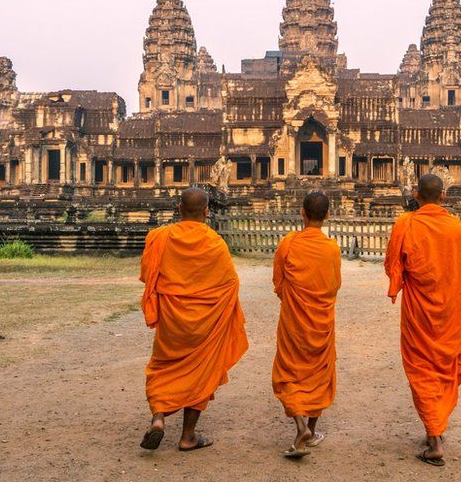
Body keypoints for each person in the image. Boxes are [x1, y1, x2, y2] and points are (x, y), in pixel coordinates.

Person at [138, 187, 249, 451]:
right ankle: (188, 435)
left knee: (162, 367)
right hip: (205, 324)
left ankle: (158, 418)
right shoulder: (215, 243)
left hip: (172, 320)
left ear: (178, 208)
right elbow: (230, 284)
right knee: (202, 371)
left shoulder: (159, 237)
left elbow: (147, 274)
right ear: (207, 211)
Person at [383, 174, 461, 467]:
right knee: (442, 368)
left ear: (416, 194)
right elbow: (459, 269)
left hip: (420, 311)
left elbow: (393, 264)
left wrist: (400, 279)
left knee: (422, 369)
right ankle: (436, 427)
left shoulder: (406, 224)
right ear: (443, 196)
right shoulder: (455, 227)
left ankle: (434, 441)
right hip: (450, 311)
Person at [271, 191, 342, 459]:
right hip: (321, 320)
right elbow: (334, 285)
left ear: (302, 213)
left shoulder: (288, 244)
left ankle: (301, 426)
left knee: (290, 371)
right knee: (318, 373)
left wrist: (292, 300)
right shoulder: (332, 248)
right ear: (327, 215)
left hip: (293, 320)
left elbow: (279, 283)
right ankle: (310, 430)